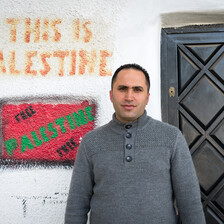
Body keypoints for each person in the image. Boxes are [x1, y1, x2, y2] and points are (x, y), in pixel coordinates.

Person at [64, 64, 205, 224]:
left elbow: (189, 204)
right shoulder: (91, 142)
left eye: (137, 89)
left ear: (147, 97)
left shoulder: (171, 137)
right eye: (122, 89)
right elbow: (77, 206)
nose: (129, 97)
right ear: (111, 95)